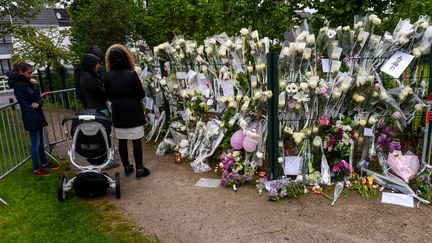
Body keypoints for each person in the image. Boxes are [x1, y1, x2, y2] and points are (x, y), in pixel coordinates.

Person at [104, 44, 149, 178]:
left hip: (118, 111)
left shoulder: (107, 76)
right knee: (136, 140)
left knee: (122, 141)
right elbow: (141, 93)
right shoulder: (131, 74)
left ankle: (127, 167)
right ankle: (139, 168)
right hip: (133, 109)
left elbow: (108, 95)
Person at [6, 63, 58, 176]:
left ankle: (43, 163)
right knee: (35, 143)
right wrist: (35, 86)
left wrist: (38, 100)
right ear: (21, 72)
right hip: (31, 116)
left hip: (35, 114)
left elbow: (38, 99)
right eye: (29, 73)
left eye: (31, 72)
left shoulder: (24, 82)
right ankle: (36, 169)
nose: (31, 75)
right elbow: (35, 97)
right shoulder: (21, 84)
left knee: (40, 142)